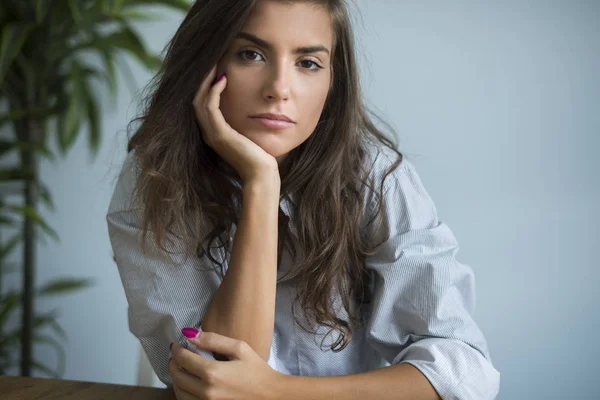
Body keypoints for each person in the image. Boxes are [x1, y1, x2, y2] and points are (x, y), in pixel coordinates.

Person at [107, 0, 500, 399]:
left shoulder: (376, 178)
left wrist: (280, 391)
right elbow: (214, 380)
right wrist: (261, 182)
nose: (278, 88)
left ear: (333, 83)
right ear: (204, 64)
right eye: (251, 54)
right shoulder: (153, 179)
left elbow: (465, 370)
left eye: (308, 63)